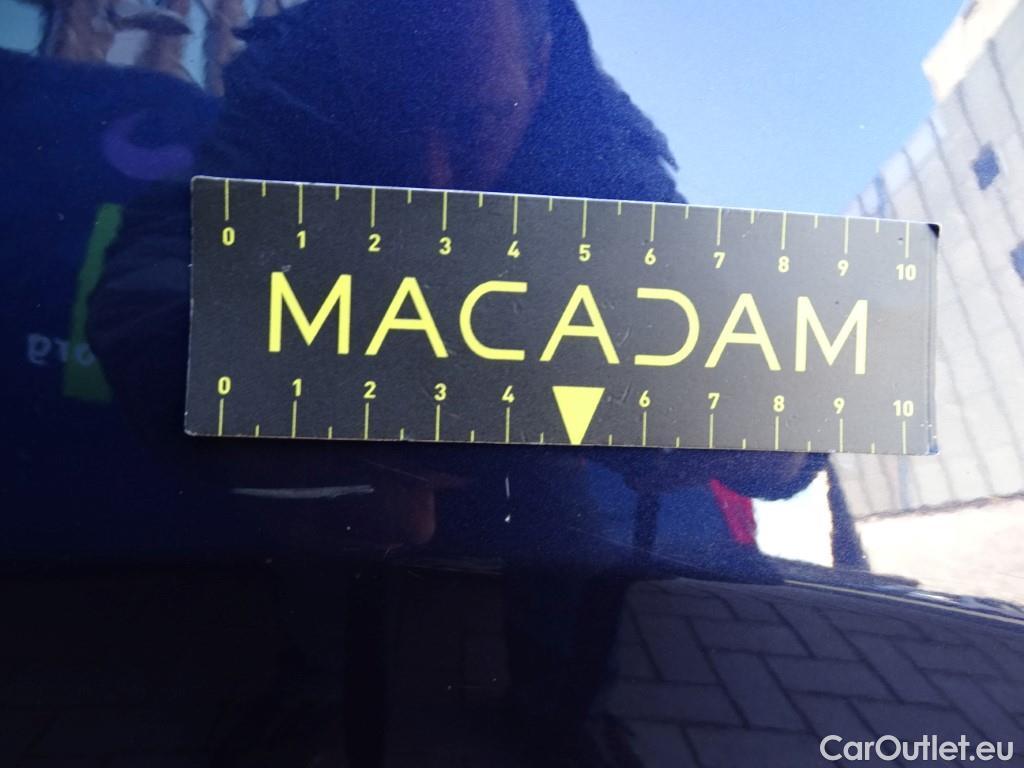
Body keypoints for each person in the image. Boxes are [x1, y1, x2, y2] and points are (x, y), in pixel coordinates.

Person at [88, 0, 826, 763]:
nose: (431, 175)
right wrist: (251, 422)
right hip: (345, 398)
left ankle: (559, 714)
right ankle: (319, 690)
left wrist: (776, 438)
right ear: (342, 55)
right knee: (322, 514)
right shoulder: (290, 91)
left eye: (476, 122)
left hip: (517, 418)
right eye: (391, 113)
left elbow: (715, 312)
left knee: (558, 527)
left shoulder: (595, 137)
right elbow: (163, 267)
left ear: (540, 70)